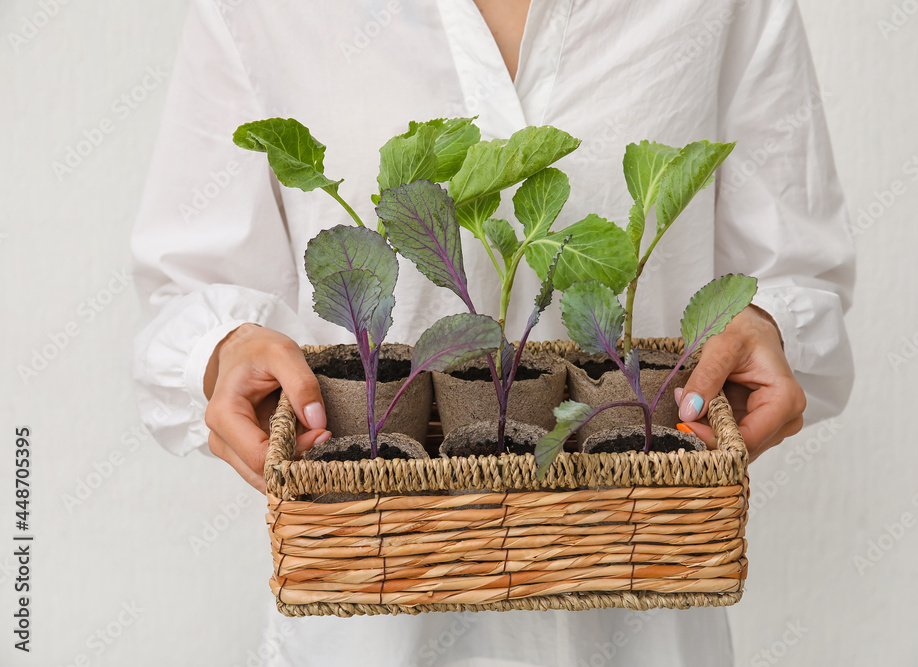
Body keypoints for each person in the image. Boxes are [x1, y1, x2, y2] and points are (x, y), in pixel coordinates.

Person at [131, 0, 855, 665]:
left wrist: (767, 326)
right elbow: (190, 286)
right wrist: (222, 351)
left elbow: (796, 269)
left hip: (642, 604)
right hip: (367, 616)